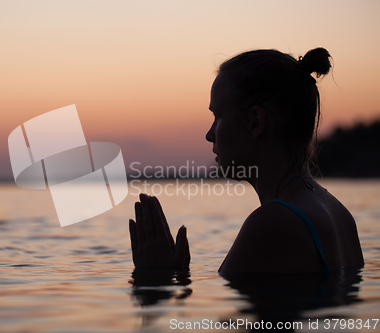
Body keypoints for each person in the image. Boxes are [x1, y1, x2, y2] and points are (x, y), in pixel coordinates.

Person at [129, 47, 364, 274]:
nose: (209, 134)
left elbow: (228, 317)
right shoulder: (340, 214)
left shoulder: (272, 223)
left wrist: (156, 277)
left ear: (255, 123)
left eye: (218, 117)